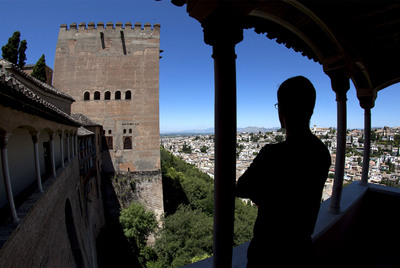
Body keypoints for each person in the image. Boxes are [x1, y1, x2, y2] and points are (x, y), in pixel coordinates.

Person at [236, 76, 331, 267]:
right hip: (301, 250)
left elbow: (240, 188)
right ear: (311, 109)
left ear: (282, 110)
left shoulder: (272, 154)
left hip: (267, 251)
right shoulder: (322, 152)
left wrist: (261, 196)